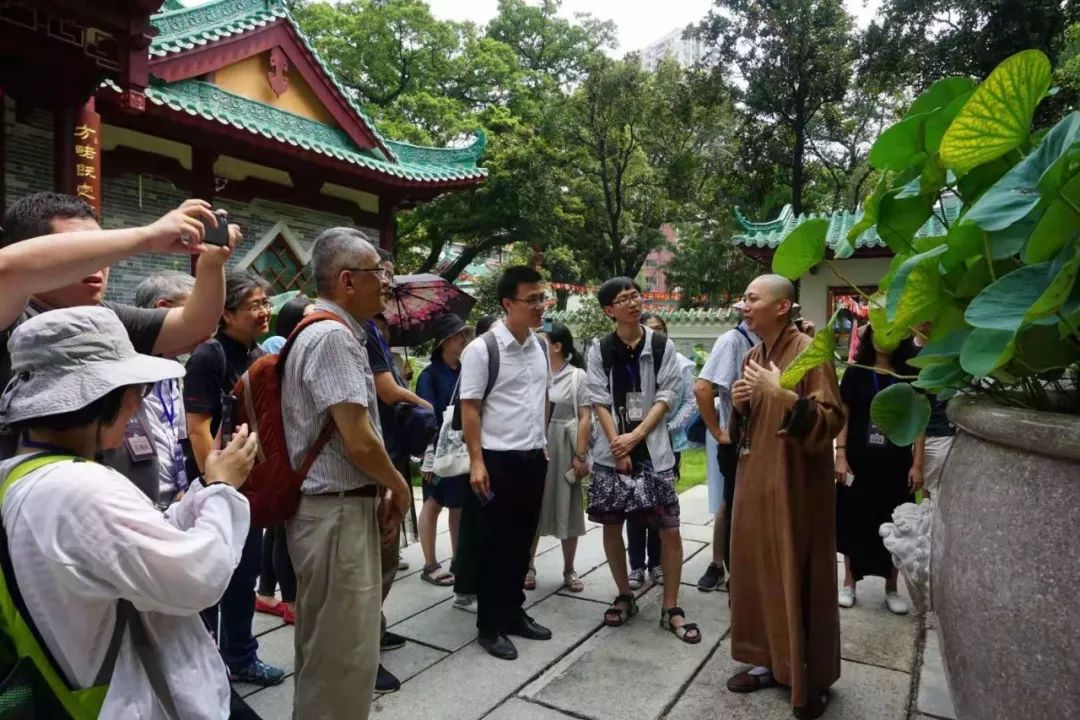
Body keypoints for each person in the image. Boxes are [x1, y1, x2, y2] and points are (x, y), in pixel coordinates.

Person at [0, 306, 258, 718]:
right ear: (101, 396)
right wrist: (224, 490)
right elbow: (197, 577)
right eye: (132, 389)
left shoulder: (19, 476)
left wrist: (205, 487)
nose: (138, 402)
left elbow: (139, 544)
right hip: (131, 700)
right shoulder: (79, 490)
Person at [0, 192, 239, 496]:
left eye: (100, 251)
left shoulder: (108, 320)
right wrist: (148, 236)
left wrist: (211, 264)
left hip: (125, 519)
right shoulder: (11, 319)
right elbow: (7, 270)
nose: (99, 264)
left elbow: (196, 324)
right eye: (83, 251)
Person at [281, 228, 411, 720]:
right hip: (334, 514)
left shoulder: (328, 331)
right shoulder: (333, 337)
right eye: (378, 271)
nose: (386, 281)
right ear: (347, 280)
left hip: (331, 511)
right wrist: (398, 485)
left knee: (328, 650)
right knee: (343, 655)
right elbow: (357, 439)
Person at [724, 274, 844, 720]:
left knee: (799, 572)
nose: (743, 305)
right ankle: (769, 660)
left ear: (781, 307)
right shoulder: (755, 354)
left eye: (751, 298)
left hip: (795, 485)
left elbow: (832, 419)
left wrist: (785, 396)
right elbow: (750, 423)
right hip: (756, 478)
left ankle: (811, 677)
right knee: (757, 571)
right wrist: (742, 403)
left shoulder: (812, 353)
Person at [184, 272, 285, 688]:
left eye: (266, 303)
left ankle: (240, 656)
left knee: (245, 574)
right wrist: (218, 485)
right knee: (210, 577)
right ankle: (204, 667)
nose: (264, 312)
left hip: (250, 484)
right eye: (254, 305)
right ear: (226, 313)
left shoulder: (260, 355)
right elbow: (197, 427)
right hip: (217, 487)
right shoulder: (209, 357)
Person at [586, 278, 700, 645]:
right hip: (611, 452)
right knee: (611, 524)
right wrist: (618, 445)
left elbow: (667, 395)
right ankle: (624, 594)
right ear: (609, 310)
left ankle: (671, 606)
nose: (633, 303)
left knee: (669, 526)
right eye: (623, 300)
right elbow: (598, 399)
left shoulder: (662, 345)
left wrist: (636, 437)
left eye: (635, 296)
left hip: (653, 449)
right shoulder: (599, 349)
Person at [455, 266, 553, 661]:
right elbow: (470, 408)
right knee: (493, 544)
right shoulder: (482, 349)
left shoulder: (540, 346)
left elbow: (541, 397)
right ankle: (489, 625)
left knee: (522, 540)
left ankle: (513, 612)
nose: (540, 306)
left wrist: (542, 441)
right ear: (507, 304)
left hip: (532, 458)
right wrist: (477, 461)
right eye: (532, 300)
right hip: (495, 460)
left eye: (543, 298)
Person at [364, 250, 432, 692]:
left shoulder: (373, 332)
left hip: (387, 454)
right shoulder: (358, 332)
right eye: (381, 274)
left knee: (383, 558)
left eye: (389, 274)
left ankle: (374, 629)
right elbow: (386, 391)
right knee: (376, 559)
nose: (388, 283)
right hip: (372, 463)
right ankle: (363, 651)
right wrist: (425, 405)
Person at [833, 325, 921, 614]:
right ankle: (849, 583)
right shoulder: (856, 372)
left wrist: (917, 463)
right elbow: (843, 416)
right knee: (853, 518)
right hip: (859, 459)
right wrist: (840, 454)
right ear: (869, 337)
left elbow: (919, 423)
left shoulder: (909, 376)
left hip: (895, 462)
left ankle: (892, 588)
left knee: (894, 523)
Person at [622, 312, 696, 591]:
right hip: (638, 443)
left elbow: (690, 402)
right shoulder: (634, 362)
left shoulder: (680, 364)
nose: (655, 334)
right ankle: (636, 566)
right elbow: (633, 402)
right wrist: (638, 431)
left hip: (667, 444)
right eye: (649, 329)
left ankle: (657, 563)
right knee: (634, 506)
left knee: (661, 508)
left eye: (659, 329)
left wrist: (667, 428)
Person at [254, 295, 314, 626]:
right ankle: (289, 600)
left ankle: (266, 592)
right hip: (281, 452)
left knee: (277, 528)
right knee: (281, 527)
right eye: (308, 315)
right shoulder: (278, 354)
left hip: (287, 450)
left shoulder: (295, 351)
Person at [693, 302, 758, 591]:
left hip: (762, 441)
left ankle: (738, 568)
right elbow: (702, 387)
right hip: (737, 442)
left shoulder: (772, 341)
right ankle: (726, 568)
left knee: (741, 505)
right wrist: (719, 431)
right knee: (732, 505)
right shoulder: (733, 341)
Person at [526, 322, 591, 593]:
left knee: (570, 506)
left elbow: (585, 416)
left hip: (565, 447)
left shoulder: (577, 376)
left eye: (542, 342)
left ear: (557, 345)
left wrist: (580, 454)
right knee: (531, 508)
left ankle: (569, 569)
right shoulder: (534, 373)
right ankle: (527, 566)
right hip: (537, 446)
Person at [416, 314, 473, 587]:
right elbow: (425, 416)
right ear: (445, 341)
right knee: (433, 502)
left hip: (461, 449)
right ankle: (429, 562)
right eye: (459, 335)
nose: (464, 340)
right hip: (437, 449)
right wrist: (428, 457)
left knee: (459, 504)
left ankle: (460, 558)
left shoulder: (466, 370)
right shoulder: (429, 375)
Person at [134, 270, 197, 508]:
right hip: (136, 507)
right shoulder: (124, 373)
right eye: (194, 313)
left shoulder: (174, 370)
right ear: (162, 308)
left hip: (174, 503)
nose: (206, 324)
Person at [911, 323, 953, 500]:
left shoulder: (948, 347)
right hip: (913, 433)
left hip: (942, 433)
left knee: (938, 493)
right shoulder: (905, 351)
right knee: (925, 491)